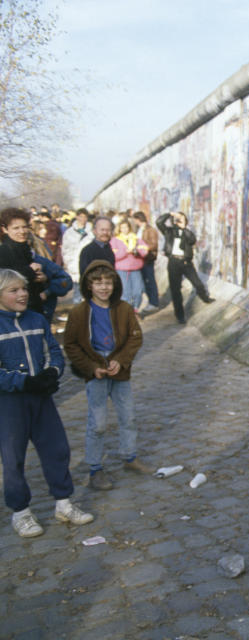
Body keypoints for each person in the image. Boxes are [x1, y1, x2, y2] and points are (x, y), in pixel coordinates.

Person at [0, 268, 94, 537]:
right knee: (13, 457)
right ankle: (21, 512)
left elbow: (53, 350)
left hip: (41, 399)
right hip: (10, 404)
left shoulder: (36, 319)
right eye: (13, 290)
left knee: (56, 448)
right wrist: (23, 382)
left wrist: (53, 372)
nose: (22, 294)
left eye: (24, 289)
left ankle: (63, 503)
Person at [63, 260, 148, 490]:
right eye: (98, 283)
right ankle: (95, 469)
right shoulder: (80, 313)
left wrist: (121, 361)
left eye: (108, 282)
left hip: (119, 370)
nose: (104, 287)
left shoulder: (123, 309)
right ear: (89, 286)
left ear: (115, 284)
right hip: (96, 370)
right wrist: (91, 368)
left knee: (128, 415)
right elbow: (70, 345)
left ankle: (130, 456)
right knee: (97, 423)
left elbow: (135, 337)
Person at [157, 211, 213, 323]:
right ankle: (180, 316)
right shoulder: (169, 231)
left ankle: (205, 297)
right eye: (177, 220)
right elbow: (159, 222)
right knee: (175, 290)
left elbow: (192, 240)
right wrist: (170, 214)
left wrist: (183, 228)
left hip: (186, 262)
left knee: (197, 282)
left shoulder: (187, 233)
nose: (178, 221)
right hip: (173, 262)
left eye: (181, 219)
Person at [111, 219, 147, 313]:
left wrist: (136, 251)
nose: (125, 229)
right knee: (125, 292)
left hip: (135, 268)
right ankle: (126, 311)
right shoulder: (115, 240)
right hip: (122, 269)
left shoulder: (136, 239)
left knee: (138, 291)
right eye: (122, 227)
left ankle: (135, 308)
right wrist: (125, 252)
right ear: (119, 228)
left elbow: (144, 251)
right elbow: (113, 256)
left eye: (126, 227)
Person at [62, 209, 93, 303]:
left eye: (85, 217)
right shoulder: (69, 232)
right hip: (74, 264)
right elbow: (65, 249)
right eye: (81, 216)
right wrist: (68, 262)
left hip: (88, 263)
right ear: (77, 217)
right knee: (77, 290)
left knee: (89, 289)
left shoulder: (92, 232)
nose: (83, 219)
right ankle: (78, 311)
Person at [132, 211, 160, 310]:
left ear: (138, 219)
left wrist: (141, 247)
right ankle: (150, 300)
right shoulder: (138, 229)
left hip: (148, 258)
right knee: (143, 281)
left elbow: (153, 244)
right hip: (140, 258)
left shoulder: (150, 230)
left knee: (150, 280)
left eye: (135, 220)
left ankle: (154, 302)